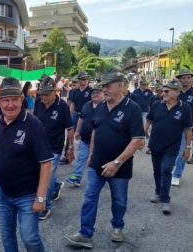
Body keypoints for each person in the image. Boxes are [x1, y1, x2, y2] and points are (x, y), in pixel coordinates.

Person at [64, 71, 144, 248]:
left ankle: (117, 227)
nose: (104, 89)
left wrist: (117, 163)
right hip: (96, 163)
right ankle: (85, 234)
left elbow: (137, 140)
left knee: (119, 200)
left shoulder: (132, 108)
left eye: (108, 86)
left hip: (120, 167)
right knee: (90, 197)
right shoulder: (100, 107)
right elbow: (94, 132)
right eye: (103, 86)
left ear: (120, 86)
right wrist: (91, 154)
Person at [0, 77, 53, 252]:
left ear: (21, 100)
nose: (10, 105)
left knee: (30, 238)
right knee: (7, 234)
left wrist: (41, 198)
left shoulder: (33, 124)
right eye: (5, 100)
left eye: (14, 99)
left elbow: (46, 163)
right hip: (2, 192)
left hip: (27, 195)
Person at [144, 80, 192, 215]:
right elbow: (148, 120)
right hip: (155, 144)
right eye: (162, 91)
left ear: (177, 92)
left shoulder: (185, 108)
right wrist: (142, 136)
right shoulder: (156, 105)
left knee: (166, 170)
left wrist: (187, 147)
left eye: (166, 91)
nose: (163, 93)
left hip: (172, 146)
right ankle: (158, 192)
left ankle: (165, 200)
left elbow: (188, 129)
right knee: (157, 170)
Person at [33, 76, 74, 220]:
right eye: (41, 94)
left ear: (54, 92)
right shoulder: (38, 102)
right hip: (38, 146)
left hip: (54, 148)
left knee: (47, 178)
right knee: (36, 174)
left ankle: (46, 206)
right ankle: (57, 185)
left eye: (46, 94)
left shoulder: (62, 106)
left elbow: (69, 129)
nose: (43, 97)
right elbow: (33, 120)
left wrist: (70, 148)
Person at [66, 83, 104, 187]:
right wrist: (77, 131)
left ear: (103, 94)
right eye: (93, 93)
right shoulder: (87, 105)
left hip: (100, 141)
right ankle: (76, 178)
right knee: (80, 159)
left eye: (98, 92)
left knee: (100, 160)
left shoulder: (106, 106)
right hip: (85, 139)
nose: (95, 94)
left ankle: (103, 178)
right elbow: (81, 118)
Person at [172, 68, 193, 185]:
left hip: (187, 128)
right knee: (170, 151)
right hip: (172, 127)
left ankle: (176, 175)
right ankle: (169, 171)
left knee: (182, 151)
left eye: (189, 77)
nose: (186, 80)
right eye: (183, 77)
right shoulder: (175, 91)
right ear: (179, 79)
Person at [60, 71, 91, 165]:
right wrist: (68, 117)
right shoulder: (74, 91)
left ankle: (90, 157)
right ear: (79, 80)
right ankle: (67, 155)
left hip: (86, 117)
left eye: (86, 79)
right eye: (83, 79)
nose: (85, 81)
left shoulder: (91, 91)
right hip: (76, 115)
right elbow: (72, 104)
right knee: (70, 135)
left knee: (88, 136)